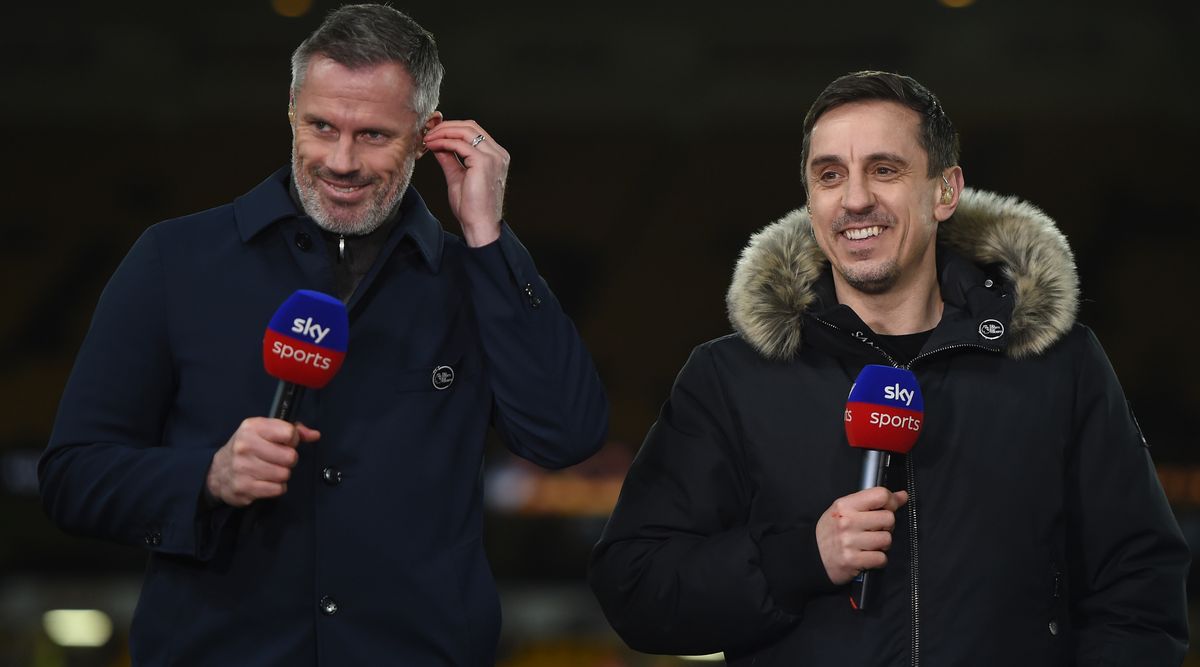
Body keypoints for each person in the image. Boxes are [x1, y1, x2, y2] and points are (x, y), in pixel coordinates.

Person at [39, 5, 608, 665]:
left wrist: (489, 238)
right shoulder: (173, 259)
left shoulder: (471, 278)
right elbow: (73, 476)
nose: (341, 160)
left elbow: (567, 434)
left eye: (372, 134)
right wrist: (208, 475)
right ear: (290, 108)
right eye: (321, 126)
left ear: (427, 133)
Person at [588, 71, 1188, 666]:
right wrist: (801, 558)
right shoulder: (731, 376)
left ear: (945, 192)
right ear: (809, 198)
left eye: (884, 169)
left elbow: (1139, 583)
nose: (854, 200)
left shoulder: (1060, 364)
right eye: (830, 175)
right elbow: (635, 584)